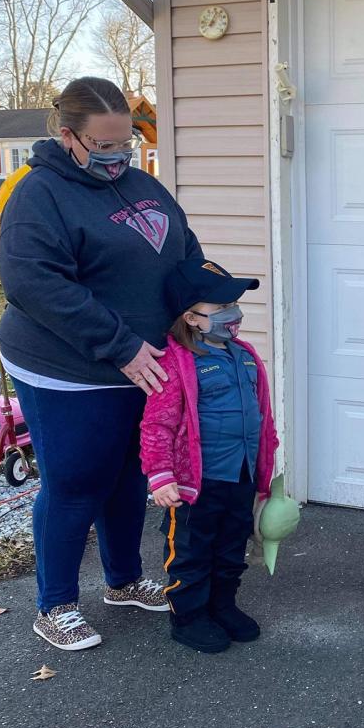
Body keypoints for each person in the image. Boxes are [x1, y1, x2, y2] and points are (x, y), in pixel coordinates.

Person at [0, 76, 203, 652]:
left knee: (129, 475)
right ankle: (55, 605)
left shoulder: (144, 186)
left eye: (126, 145)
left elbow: (184, 249)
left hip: (142, 360)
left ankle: (123, 581)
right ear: (68, 136)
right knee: (77, 480)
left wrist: (195, 303)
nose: (118, 157)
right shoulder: (39, 196)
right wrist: (122, 345)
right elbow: (34, 284)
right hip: (65, 363)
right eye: (104, 145)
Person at [140, 258, 278, 654]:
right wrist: (161, 475)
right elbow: (157, 425)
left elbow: (261, 416)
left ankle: (222, 605)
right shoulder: (176, 362)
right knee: (191, 550)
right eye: (221, 309)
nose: (233, 315)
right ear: (192, 317)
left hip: (241, 474)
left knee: (231, 545)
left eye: (234, 306)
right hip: (196, 484)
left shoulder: (246, 355)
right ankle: (189, 616)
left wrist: (266, 468)